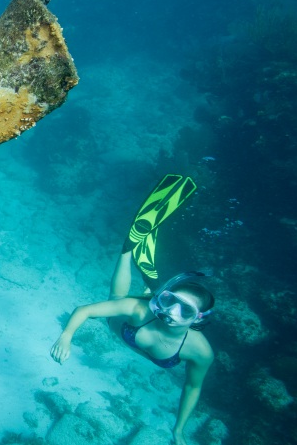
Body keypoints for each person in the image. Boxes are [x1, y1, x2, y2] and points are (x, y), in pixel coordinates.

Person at [50, 175, 215, 445]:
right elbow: (84, 310)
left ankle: (143, 268)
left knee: (131, 297)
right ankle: (127, 251)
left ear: (198, 319)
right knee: (117, 298)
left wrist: (179, 430)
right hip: (128, 315)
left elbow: (192, 386)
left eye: (184, 310)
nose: (171, 312)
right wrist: (66, 336)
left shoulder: (200, 351)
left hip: (141, 312)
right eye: (169, 301)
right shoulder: (139, 311)